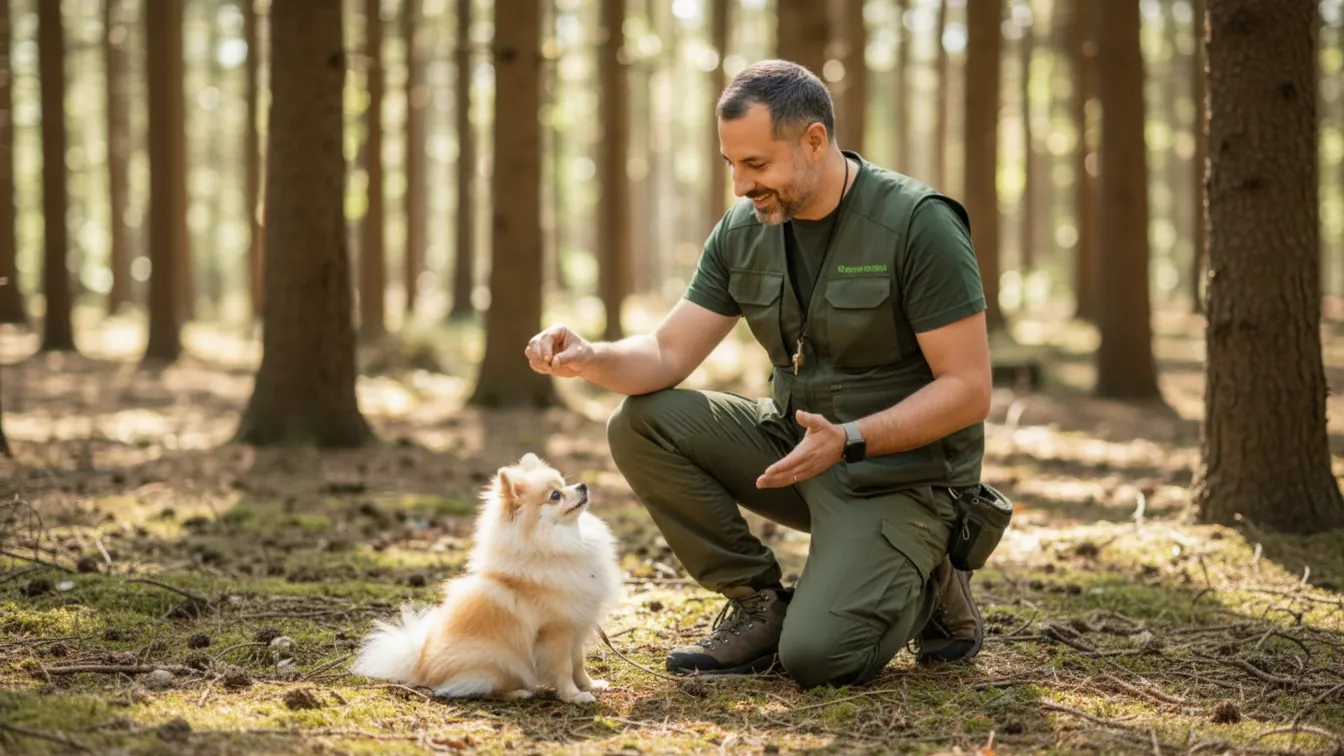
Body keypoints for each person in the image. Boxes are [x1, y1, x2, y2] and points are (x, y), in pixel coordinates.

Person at [524, 59, 991, 689]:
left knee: (820, 658)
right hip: (797, 450)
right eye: (732, 165)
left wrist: (851, 439)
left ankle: (932, 574)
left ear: (814, 142)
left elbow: (969, 389)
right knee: (643, 421)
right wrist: (590, 356)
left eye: (757, 164)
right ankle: (757, 604)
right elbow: (665, 354)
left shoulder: (917, 224)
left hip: (902, 476)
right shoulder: (744, 230)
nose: (742, 185)